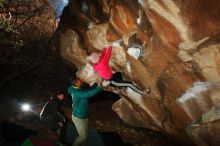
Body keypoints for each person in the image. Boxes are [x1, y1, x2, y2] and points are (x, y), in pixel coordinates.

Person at [68, 77, 102, 146]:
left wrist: (96, 84)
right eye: (79, 80)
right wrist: (100, 87)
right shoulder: (77, 92)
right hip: (78, 118)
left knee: (85, 134)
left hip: (83, 116)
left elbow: (88, 90)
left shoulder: (78, 89)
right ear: (76, 83)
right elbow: (88, 94)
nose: (81, 80)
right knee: (83, 136)